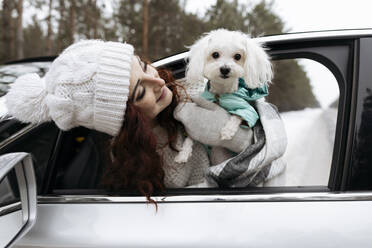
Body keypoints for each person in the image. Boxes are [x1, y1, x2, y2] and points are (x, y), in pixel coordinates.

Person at [5, 40, 254, 203]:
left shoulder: (193, 97)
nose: (158, 82)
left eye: (145, 67)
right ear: (126, 119)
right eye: (139, 92)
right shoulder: (148, 163)